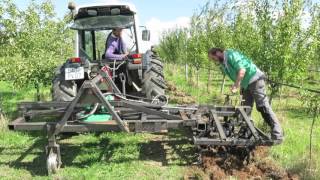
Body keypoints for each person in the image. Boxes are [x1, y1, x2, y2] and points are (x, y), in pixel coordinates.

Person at [208, 48, 283, 141]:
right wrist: (240, 86)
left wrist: (236, 85)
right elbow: (235, 75)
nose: (214, 61)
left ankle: (277, 133)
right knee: (245, 110)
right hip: (246, 84)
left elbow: (242, 70)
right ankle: (247, 132)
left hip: (255, 79)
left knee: (262, 107)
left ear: (218, 52)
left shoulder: (231, 55)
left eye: (214, 58)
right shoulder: (224, 64)